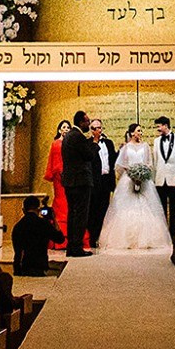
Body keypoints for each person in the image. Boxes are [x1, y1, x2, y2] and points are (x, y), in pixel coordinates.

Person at [98, 123, 172, 251]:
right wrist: (132, 174)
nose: (140, 133)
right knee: (126, 207)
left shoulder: (146, 146)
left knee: (147, 207)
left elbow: (149, 163)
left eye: (141, 131)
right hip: (128, 179)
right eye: (138, 131)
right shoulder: (126, 147)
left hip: (144, 181)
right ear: (132, 133)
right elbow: (120, 164)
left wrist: (143, 173)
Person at [59, 109, 97, 259]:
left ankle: (71, 246)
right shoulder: (78, 136)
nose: (89, 124)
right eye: (87, 121)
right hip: (80, 181)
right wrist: (94, 142)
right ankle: (76, 247)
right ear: (81, 122)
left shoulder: (69, 137)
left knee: (72, 215)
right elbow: (88, 156)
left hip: (70, 181)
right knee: (80, 215)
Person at [44, 119, 81, 250]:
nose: (66, 129)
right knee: (61, 200)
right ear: (59, 129)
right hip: (59, 177)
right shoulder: (56, 144)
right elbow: (55, 161)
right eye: (64, 127)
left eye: (68, 127)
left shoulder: (70, 143)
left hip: (70, 176)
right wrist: (60, 172)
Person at [153, 116, 175, 233]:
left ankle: (173, 232)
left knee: (173, 207)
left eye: (159, 126)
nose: (157, 129)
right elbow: (155, 161)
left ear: (165, 125)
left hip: (173, 179)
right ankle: (162, 232)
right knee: (161, 208)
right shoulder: (156, 141)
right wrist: (154, 180)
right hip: (160, 179)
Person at [86, 117, 117, 247]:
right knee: (93, 210)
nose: (97, 130)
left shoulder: (109, 143)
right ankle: (93, 237)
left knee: (104, 209)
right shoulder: (88, 144)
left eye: (99, 127)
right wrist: (94, 142)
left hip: (106, 180)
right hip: (94, 181)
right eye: (94, 128)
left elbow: (113, 159)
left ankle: (103, 237)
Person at [12, 197, 56, 276]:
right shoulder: (44, 224)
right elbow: (60, 239)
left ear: (23, 210)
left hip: (21, 267)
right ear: (38, 210)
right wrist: (53, 219)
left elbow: (17, 249)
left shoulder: (18, 226)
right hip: (39, 266)